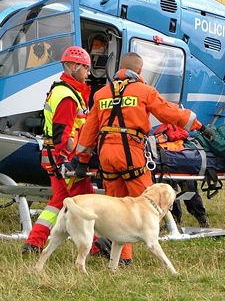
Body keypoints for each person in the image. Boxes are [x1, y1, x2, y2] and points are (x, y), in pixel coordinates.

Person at [75, 52, 215, 264]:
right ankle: (148, 241)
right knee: (148, 200)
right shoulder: (144, 91)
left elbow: (88, 132)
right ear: (139, 70)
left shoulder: (101, 94)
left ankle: (121, 255)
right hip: (131, 152)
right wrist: (200, 127)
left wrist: (82, 161)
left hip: (107, 155)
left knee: (115, 205)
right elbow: (170, 113)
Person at [23, 46, 97, 254]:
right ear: (74, 66)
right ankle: (97, 247)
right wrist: (66, 160)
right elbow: (62, 134)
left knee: (58, 201)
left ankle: (34, 242)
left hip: (52, 156)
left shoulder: (63, 90)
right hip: (62, 157)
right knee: (86, 201)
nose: (88, 73)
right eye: (85, 68)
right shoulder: (67, 96)